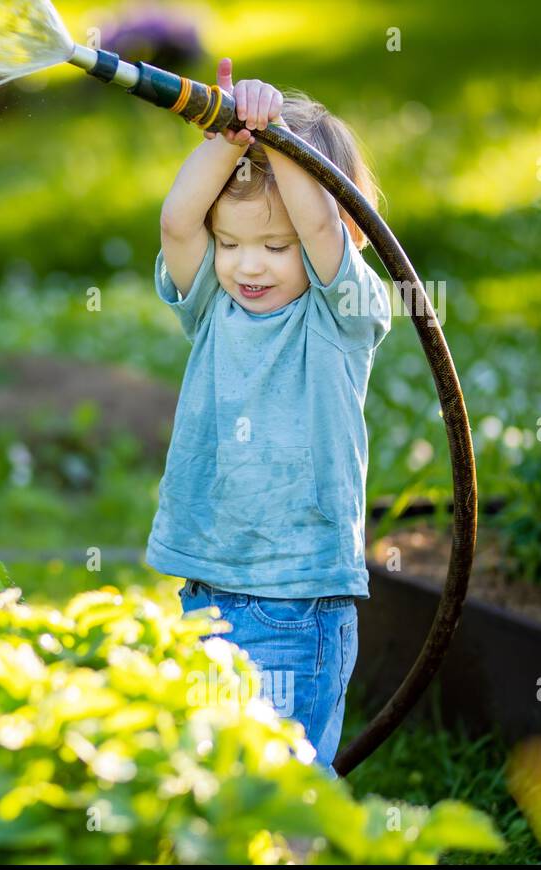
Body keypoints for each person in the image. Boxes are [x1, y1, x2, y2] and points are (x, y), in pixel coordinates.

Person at [146, 57, 391, 780]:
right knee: (216, 780)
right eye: (231, 243)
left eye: (273, 246)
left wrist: (275, 131)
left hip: (297, 599)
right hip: (207, 586)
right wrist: (231, 131)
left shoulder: (342, 312)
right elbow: (176, 218)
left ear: (343, 229)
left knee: (282, 790)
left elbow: (317, 220)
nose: (247, 265)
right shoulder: (213, 307)